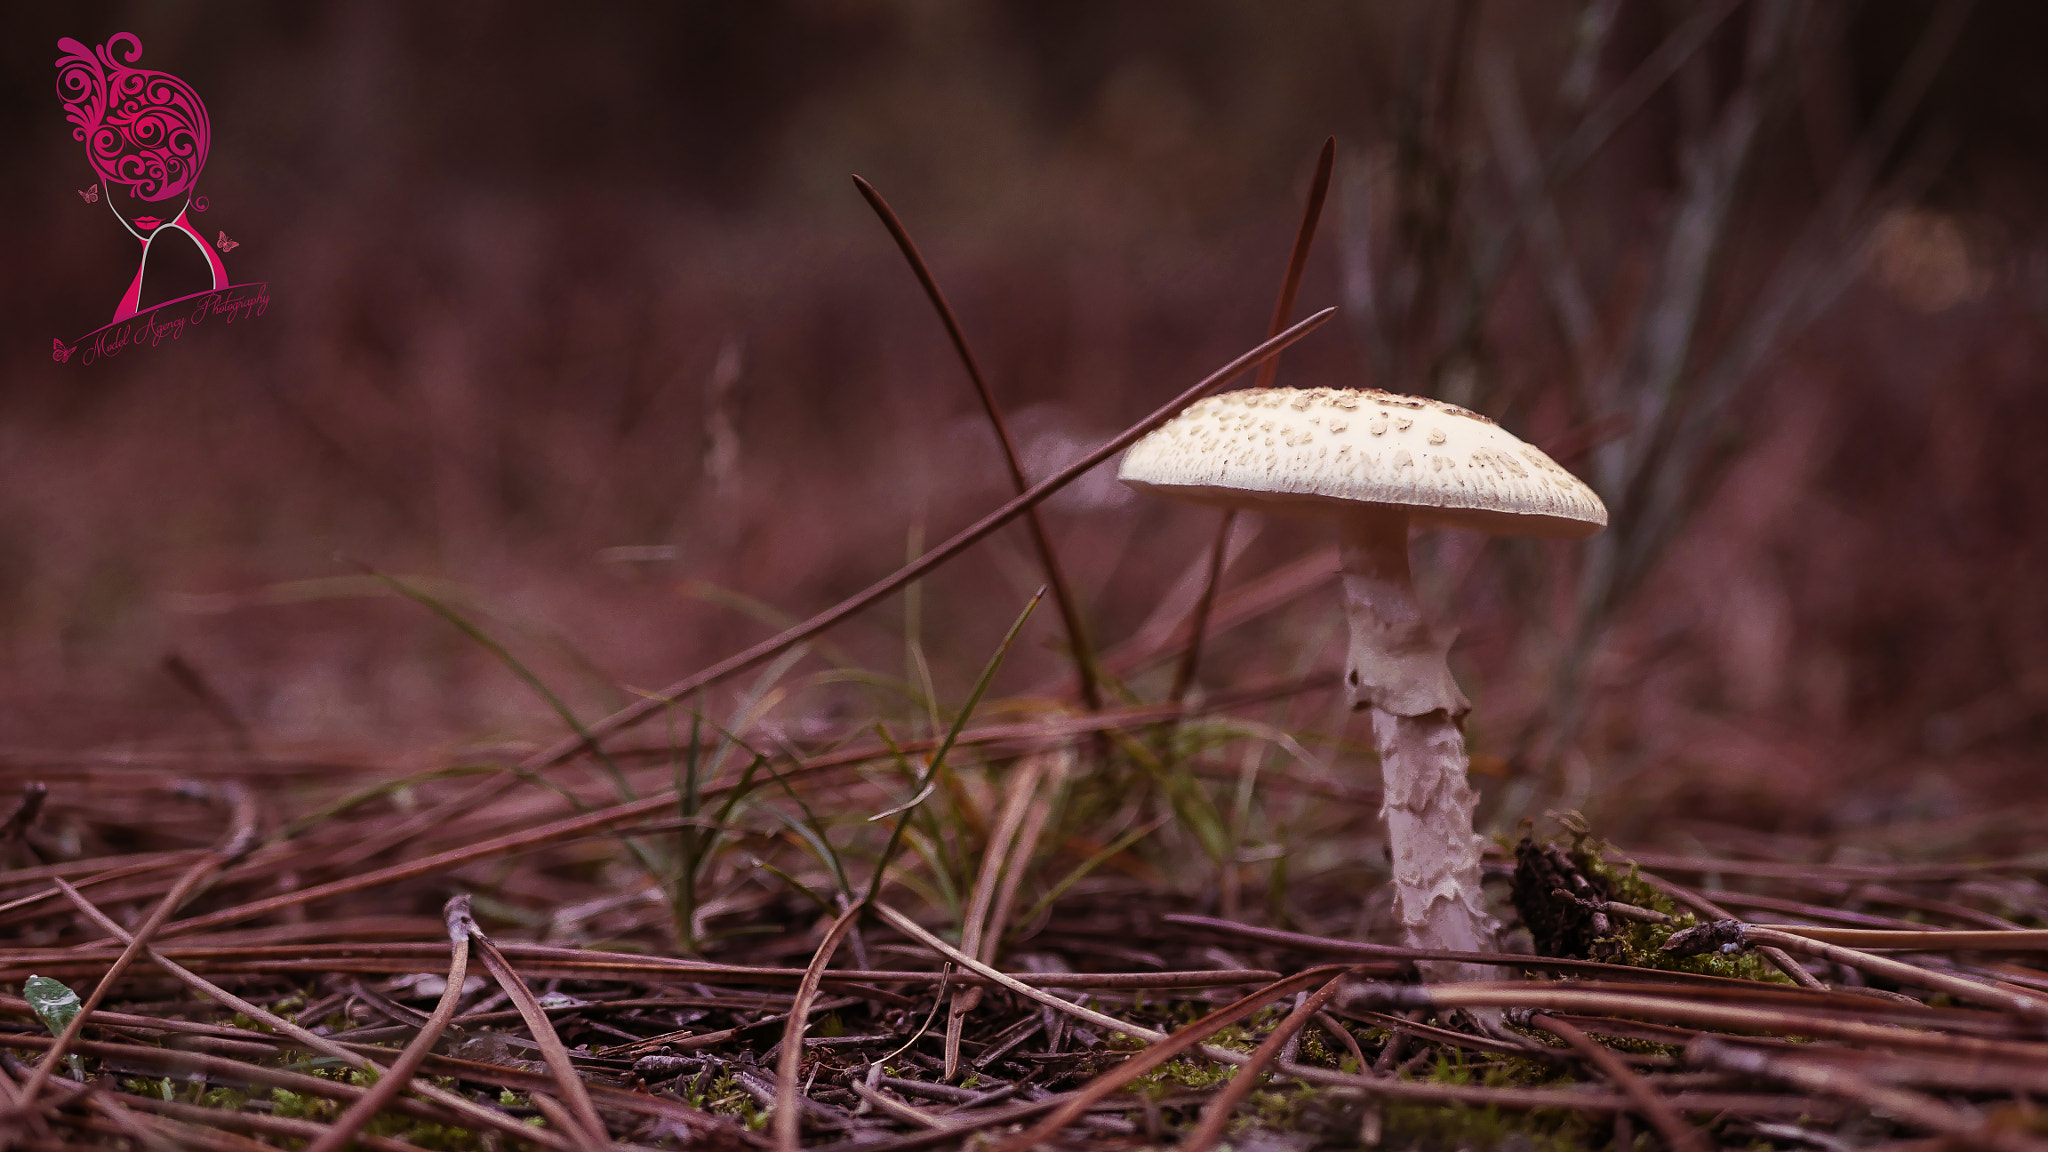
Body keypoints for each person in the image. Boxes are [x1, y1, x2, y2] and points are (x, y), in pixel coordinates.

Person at [56, 32, 227, 323]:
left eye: (168, 173)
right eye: (123, 176)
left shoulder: (175, 246)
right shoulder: (117, 261)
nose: (144, 196)